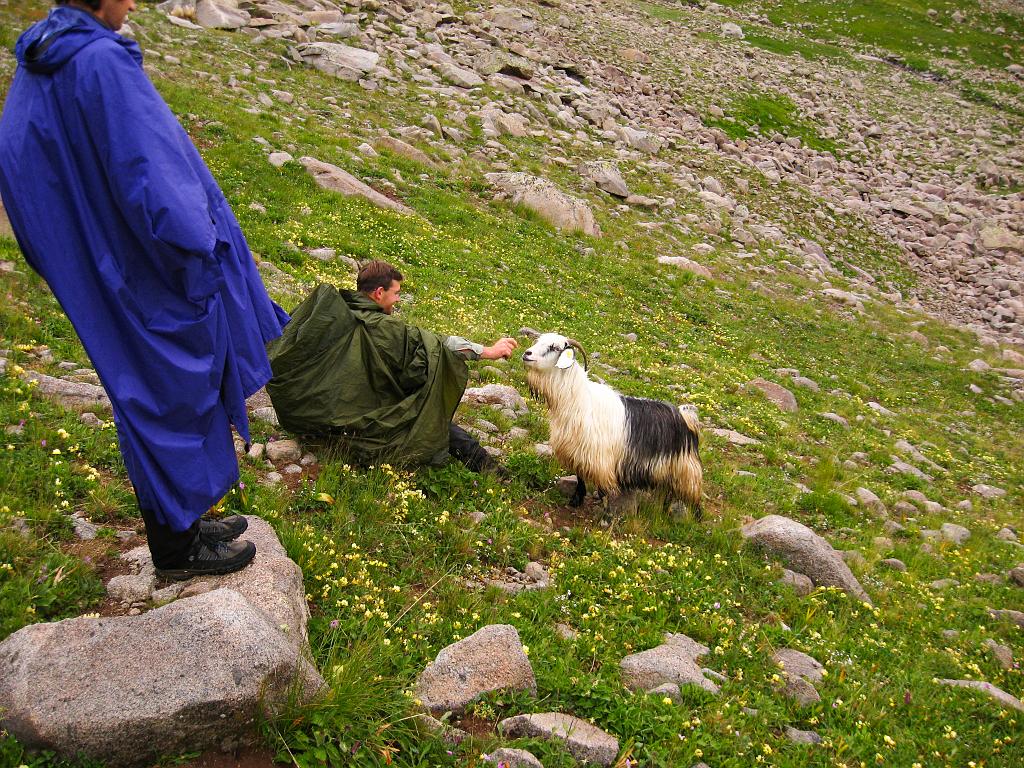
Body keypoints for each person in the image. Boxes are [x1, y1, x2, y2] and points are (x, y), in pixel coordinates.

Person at [0, 0, 291, 579]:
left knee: (148, 386)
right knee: (175, 385)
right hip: (146, 265)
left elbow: (19, 160)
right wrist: (198, 248)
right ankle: (177, 550)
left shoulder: (45, 53)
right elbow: (151, 174)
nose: (133, 3)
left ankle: (182, 515)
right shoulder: (98, 61)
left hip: (102, 260)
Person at [266, 261, 518, 472]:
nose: (397, 300)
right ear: (378, 293)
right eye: (396, 293)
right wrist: (488, 352)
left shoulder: (334, 314)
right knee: (430, 419)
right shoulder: (386, 328)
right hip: (366, 412)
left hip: (320, 415)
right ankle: (493, 473)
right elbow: (438, 346)